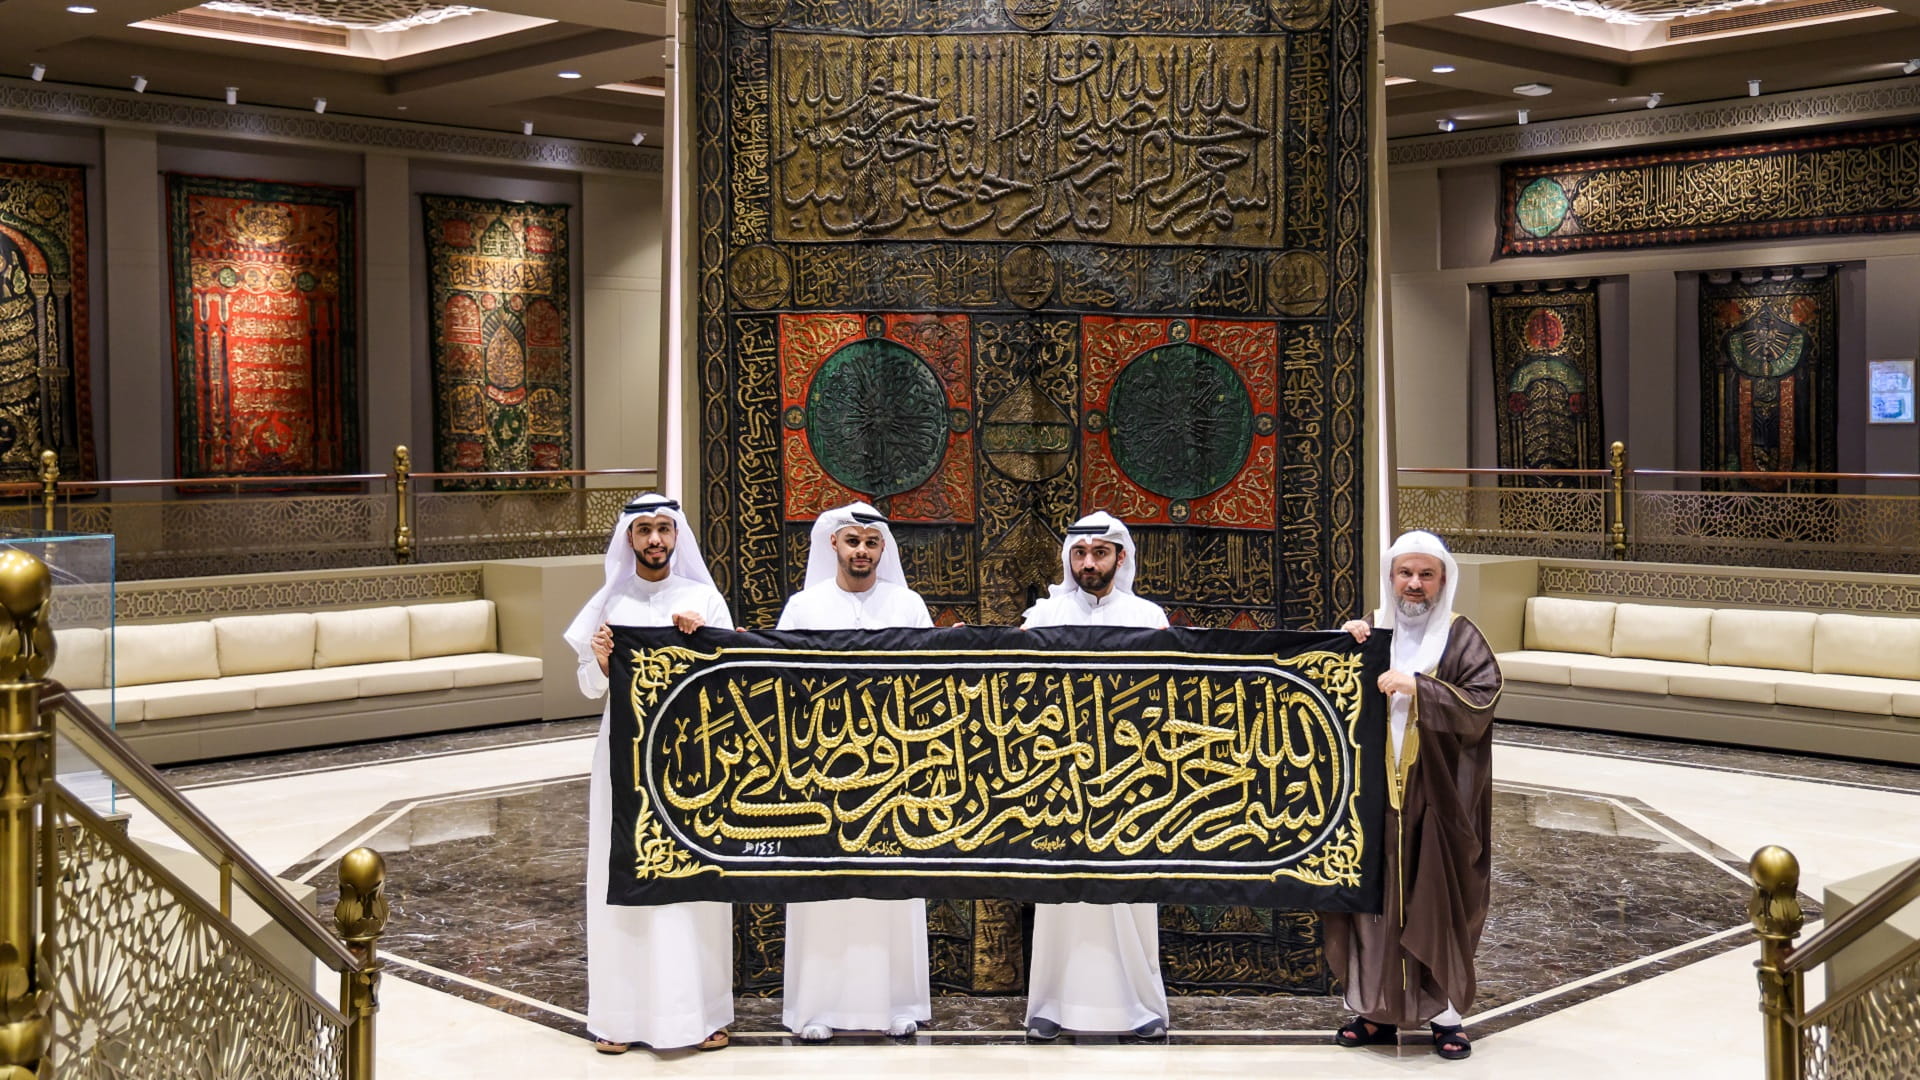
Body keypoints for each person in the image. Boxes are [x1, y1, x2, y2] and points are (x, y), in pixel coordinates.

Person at [563, 494, 734, 1054]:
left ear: (676, 535)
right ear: (629, 540)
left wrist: (703, 640)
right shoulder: (611, 601)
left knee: (696, 880)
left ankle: (702, 1015)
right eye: (644, 531)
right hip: (622, 759)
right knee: (622, 875)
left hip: (692, 761)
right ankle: (620, 1018)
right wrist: (602, 656)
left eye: (664, 529)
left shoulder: (702, 599)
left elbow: (733, 678)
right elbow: (591, 687)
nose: (655, 540)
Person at [1323, 530, 1502, 1061]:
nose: (1415, 584)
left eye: (1426, 574)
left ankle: (1446, 1016)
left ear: (1443, 579)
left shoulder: (1461, 637)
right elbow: (1328, 691)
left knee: (1438, 904)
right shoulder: (1371, 631)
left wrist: (1417, 687)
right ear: (1391, 577)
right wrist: (1343, 644)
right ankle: (1376, 1011)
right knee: (1374, 907)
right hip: (1372, 798)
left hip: (1438, 798)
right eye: (1405, 573)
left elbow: (1482, 698)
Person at [775, 501, 935, 1042]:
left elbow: (933, 685)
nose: (861, 551)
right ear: (833, 547)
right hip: (822, 770)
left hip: (894, 768)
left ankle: (897, 1005)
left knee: (890, 887)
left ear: (882, 550)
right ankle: (815, 1008)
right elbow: (779, 686)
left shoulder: (908, 605)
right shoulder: (804, 606)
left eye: (870, 543)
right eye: (851, 542)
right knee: (826, 886)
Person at [1019, 511, 1172, 1042]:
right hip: (1058, 776)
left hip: (1130, 775)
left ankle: (1140, 1006)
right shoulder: (1042, 617)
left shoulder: (1149, 618)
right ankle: (1051, 1006)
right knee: (1061, 893)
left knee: (1129, 893)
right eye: (1080, 554)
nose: (1089, 563)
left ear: (1120, 557)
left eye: (1100, 553)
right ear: (1069, 559)